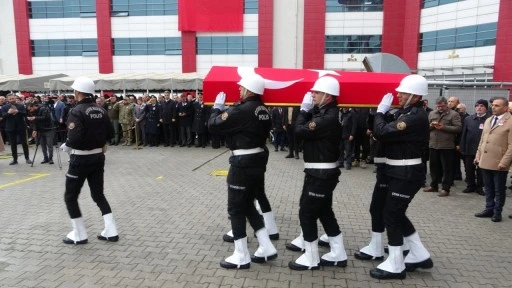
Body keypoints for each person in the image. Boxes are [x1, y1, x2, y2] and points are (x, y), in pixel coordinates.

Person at [208, 74, 278, 270]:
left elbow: (213, 125)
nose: (239, 90)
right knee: (247, 206)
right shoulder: (262, 109)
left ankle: (241, 255)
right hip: (257, 162)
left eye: (241, 88)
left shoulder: (243, 109)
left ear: (249, 90)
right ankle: (266, 245)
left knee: (236, 208)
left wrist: (216, 108)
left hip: (242, 164)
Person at [370, 74, 433, 280]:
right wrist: (386, 114)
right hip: (399, 171)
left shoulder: (413, 116)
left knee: (392, 215)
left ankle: (396, 264)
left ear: (415, 96)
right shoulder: (405, 113)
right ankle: (419, 254)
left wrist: (380, 113)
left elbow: (381, 132)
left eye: (403, 92)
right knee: (396, 213)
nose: (398, 94)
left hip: (406, 173)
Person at [287, 76, 347, 271]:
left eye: (317, 92)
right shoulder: (325, 114)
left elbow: (299, 131)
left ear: (328, 96)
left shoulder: (327, 119)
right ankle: (338, 253)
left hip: (321, 173)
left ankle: (311, 257)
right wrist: (309, 110)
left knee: (307, 212)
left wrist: (303, 111)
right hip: (318, 171)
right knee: (324, 211)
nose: (313, 95)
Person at [60, 76, 118, 245]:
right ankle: (111, 230)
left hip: (80, 159)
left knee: (70, 196)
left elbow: (75, 136)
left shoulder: (76, 111)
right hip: (98, 157)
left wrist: (67, 144)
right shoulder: (101, 110)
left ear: (77, 91)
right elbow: (111, 134)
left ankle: (79, 234)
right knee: (98, 195)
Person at [474, 97, 512, 223]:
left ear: (506, 107)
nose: (493, 107)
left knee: (499, 189)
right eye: (493, 105)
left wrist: (504, 162)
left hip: (499, 162)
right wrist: (478, 155)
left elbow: (511, 145)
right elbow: (482, 140)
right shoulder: (489, 120)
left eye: (497, 105)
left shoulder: (510, 121)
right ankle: (488, 208)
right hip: (485, 160)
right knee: (488, 188)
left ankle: (497, 212)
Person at [423, 97, 461, 197]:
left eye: (442, 106)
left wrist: (443, 127)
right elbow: (426, 128)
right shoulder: (432, 113)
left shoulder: (454, 114)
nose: (440, 108)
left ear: (446, 105)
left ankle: (445, 188)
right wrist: (431, 125)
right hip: (433, 144)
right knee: (433, 167)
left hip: (447, 146)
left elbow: (458, 128)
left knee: (447, 168)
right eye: (438, 106)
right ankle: (434, 186)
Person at [460, 100, 490, 195]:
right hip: (469, 148)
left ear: (486, 108)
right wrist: (462, 147)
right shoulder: (468, 119)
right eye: (477, 106)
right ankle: (470, 186)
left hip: (482, 150)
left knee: (481, 170)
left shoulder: (489, 119)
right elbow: (464, 134)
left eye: (481, 106)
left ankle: (480, 187)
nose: (479, 108)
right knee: (469, 169)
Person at [0, 94, 32, 165]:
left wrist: (18, 111)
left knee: (24, 143)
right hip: (11, 128)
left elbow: (25, 114)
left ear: (15, 98)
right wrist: (8, 113)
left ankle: (27, 158)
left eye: (13, 98)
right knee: (13, 144)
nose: (12, 100)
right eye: (10, 99)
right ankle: (15, 159)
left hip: (21, 127)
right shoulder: (4, 107)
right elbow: (3, 117)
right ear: (8, 100)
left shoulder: (20, 106)